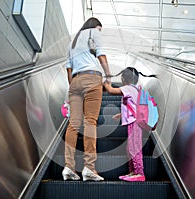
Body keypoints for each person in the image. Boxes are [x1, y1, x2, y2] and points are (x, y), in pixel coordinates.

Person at [62, 17, 111, 181]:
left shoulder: (73, 42)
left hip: (75, 82)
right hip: (91, 78)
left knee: (73, 124)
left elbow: (68, 69)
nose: (99, 32)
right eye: (99, 29)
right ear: (95, 26)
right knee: (90, 121)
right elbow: (101, 56)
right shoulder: (94, 33)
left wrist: (73, 86)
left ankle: (69, 166)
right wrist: (108, 77)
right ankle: (89, 168)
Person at [103, 67, 146, 182]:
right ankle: (133, 171)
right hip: (133, 122)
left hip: (135, 124)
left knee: (134, 147)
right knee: (130, 148)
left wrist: (106, 80)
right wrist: (121, 114)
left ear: (123, 79)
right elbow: (132, 107)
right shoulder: (134, 89)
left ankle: (139, 173)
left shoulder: (129, 88)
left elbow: (111, 90)